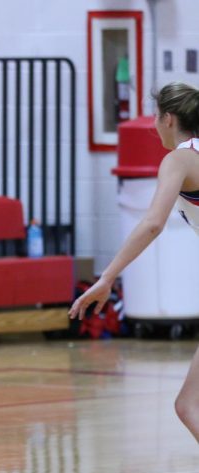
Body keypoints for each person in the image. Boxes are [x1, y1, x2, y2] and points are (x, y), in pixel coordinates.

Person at [71, 81, 199, 446]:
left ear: (169, 119)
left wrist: (106, 277)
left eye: (156, 118)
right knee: (189, 405)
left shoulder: (179, 159)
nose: (153, 126)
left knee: (190, 405)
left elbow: (152, 223)